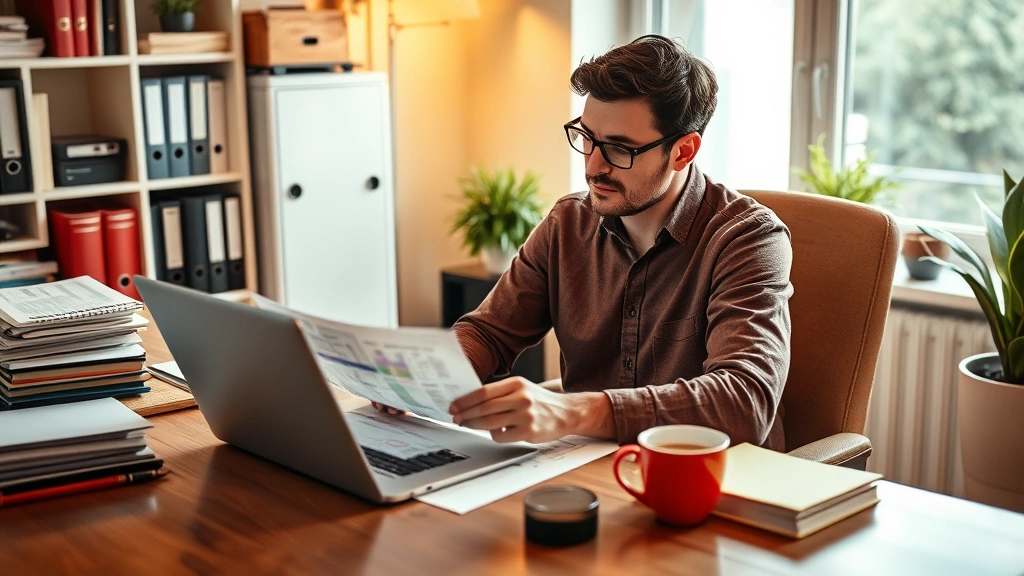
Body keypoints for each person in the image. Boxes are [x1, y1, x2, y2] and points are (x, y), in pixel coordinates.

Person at [376, 35, 793, 450]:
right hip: (588, 468)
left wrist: (571, 412)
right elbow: (489, 334)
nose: (593, 166)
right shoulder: (568, 223)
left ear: (683, 151)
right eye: (587, 137)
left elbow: (743, 403)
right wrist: (423, 377)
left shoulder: (748, 239)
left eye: (618, 148)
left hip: (712, 485)